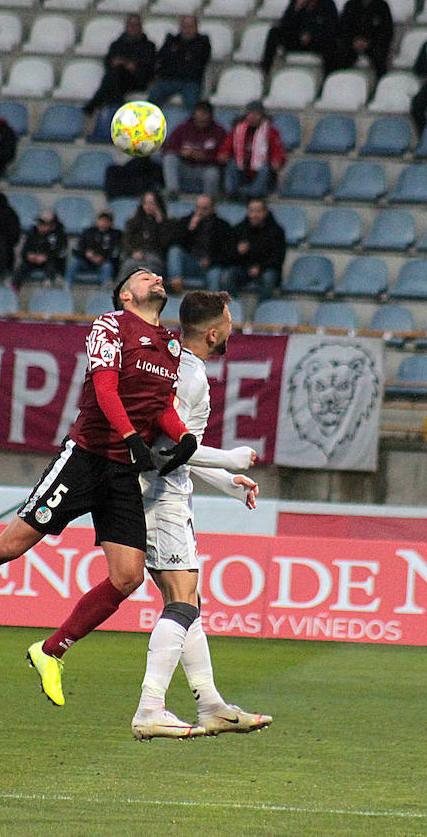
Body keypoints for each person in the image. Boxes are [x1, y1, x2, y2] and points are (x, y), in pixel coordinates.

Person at [0, 268, 200, 711]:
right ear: (126, 295)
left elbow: (161, 407)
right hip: (86, 458)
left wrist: (183, 435)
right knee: (13, 544)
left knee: (128, 576)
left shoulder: (170, 345)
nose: (157, 278)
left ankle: (51, 651)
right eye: (145, 276)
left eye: (158, 275)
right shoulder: (110, 325)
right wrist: (132, 437)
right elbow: (106, 389)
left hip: (122, 472)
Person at [131, 290, 271, 740]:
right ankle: (150, 706)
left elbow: (180, 451)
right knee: (181, 601)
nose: (234, 328)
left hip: (156, 491)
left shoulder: (170, 361)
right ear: (213, 333)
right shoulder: (190, 380)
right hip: (160, 498)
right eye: (230, 322)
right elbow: (167, 449)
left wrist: (228, 484)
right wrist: (230, 461)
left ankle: (211, 704)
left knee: (189, 602)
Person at [261, 0, 338, 75]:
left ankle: (328, 76)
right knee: (274, 32)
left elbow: (331, 28)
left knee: (331, 45)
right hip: (298, 39)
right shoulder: (296, 0)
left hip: (316, 42)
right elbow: (285, 24)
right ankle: (265, 70)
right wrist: (296, 9)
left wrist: (312, 35)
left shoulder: (327, 4)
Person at [83, 14, 157, 118]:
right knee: (114, 76)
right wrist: (123, 64)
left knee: (114, 75)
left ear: (141, 27)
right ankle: (116, 108)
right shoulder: (117, 44)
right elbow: (109, 62)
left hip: (136, 80)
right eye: (131, 25)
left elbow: (147, 67)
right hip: (118, 79)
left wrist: (126, 64)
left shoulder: (148, 46)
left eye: (136, 25)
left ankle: (94, 106)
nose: (133, 27)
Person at [328, 0, 393, 79]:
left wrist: (369, 42)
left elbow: (386, 31)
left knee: (380, 58)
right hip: (352, 43)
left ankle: (379, 84)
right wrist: (353, 41)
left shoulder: (382, 7)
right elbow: (343, 27)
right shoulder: (351, 5)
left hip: (373, 45)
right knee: (337, 55)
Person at [221, 198, 286, 300]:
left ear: (265, 212)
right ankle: (233, 309)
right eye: (251, 211)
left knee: (269, 278)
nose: (254, 215)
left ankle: (263, 310)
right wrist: (238, 252)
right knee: (227, 276)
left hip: (265, 269)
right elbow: (227, 256)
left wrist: (260, 267)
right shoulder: (239, 229)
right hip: (243, 269)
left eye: (258, 211)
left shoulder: (276, 231)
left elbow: (278, 257)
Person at [219, 101, 287, 199]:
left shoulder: (271, 132)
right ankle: (232, 192)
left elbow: (278, 152)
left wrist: (276, 161)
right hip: (242, 171)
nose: (253, 117)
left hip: (260, 173)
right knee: (231, 164)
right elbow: (226, 148)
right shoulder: (237, 130)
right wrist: (223, 155)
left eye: (256, 114)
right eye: (250, 113)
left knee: (265, 168)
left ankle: (253, 194)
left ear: (262, 116)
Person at [147, 15, 212, 114]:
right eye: (185, 26)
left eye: (191, 26)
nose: (187, 30)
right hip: (168, 80)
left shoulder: (202, 42)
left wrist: (177, 57)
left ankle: (190, 128)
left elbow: (198, 62)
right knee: (153, 97)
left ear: (196, 27)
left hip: (190, 82)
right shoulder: (172, 40)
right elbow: (162, 58)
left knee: (192, 104)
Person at [161, 101, 227, 199]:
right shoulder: (183, 128)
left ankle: (208, 200)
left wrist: (205, 157)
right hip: (185, 167)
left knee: (213, 173)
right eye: (198, 117)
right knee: (169, 158)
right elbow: (167, 148)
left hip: (206, 168)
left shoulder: (219, 132)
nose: (201, 120)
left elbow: (223, 156)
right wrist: (181, 152)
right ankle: (172, 192)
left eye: (204, 116)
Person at [166, 194, 230, 293]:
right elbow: (173, 242)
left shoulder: (222, 226)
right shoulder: (186, 221)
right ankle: (175, 283)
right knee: (174, 251)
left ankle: (212, 303)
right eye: (198, 208)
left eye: (204, 209)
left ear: (213, 208)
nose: (200, 212)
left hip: (210, 266)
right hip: (190, 261)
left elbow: (226, 252)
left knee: (215, 274)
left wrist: (211, 260)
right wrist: (190, 229)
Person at [10, 208, 67, 290]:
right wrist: (29, 255)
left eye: (43, 224)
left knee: (52, 267)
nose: (39, 226)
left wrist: (46, 257)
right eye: (39, 224)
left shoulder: (60, 235)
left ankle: (50, 285)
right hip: (34, 261)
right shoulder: (33, 232)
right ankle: (15, 289)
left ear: (52, 226)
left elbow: (60, 253)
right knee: (22, 268)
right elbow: (24, 250)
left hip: (52, 262)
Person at [65, 209, 124, 286]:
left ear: (111, 222)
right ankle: (66, 286)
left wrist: (102, 257)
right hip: (86, 262)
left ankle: (106, 289)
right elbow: (76, 250)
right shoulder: (88, 232)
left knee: (107, 266)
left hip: (103, 263)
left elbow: (115, 253)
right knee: (74, 262)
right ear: (97, 220)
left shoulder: (116, 234)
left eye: (106, 221)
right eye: (101, 220)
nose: (103, 223)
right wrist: (86, 254)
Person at [123, 190, 172, 274]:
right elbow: (126, 240)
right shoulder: (133, 222)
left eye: (152, 203)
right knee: (129, 265)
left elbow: (166, 243)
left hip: (155, 255)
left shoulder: (167, 223)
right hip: (136, 254)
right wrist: (133, 252)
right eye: (146, 203)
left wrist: (160, 223)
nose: (148, 206)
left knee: (149, 268)